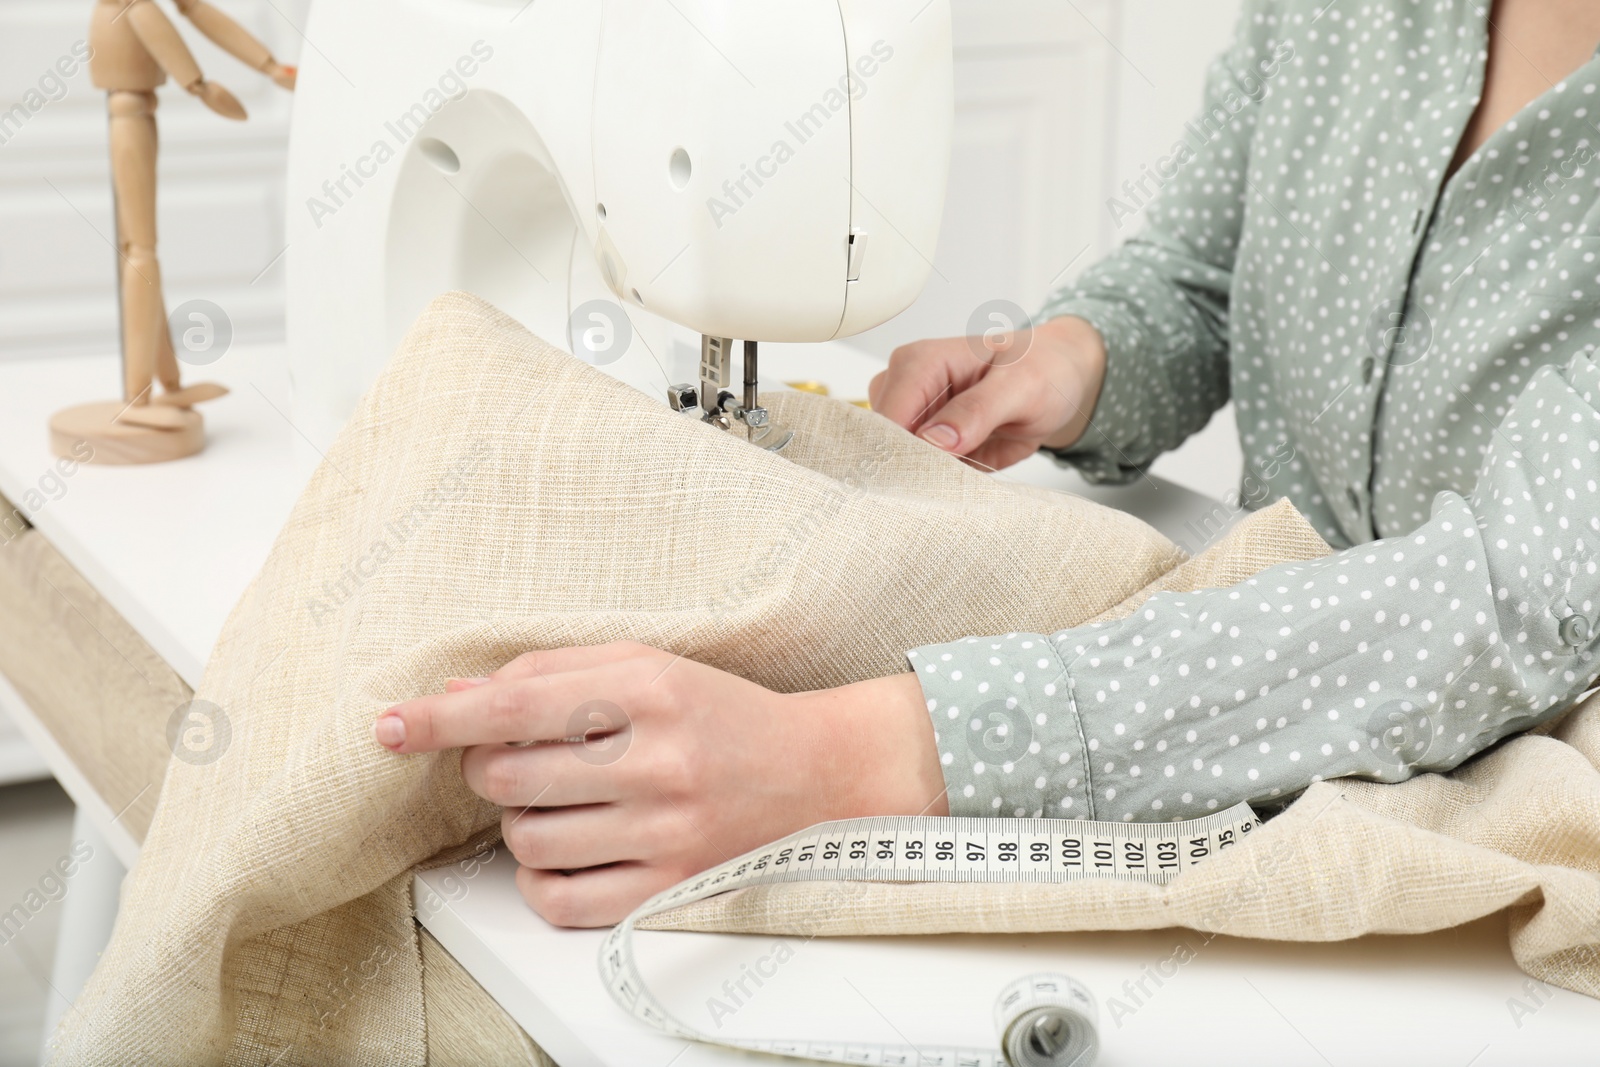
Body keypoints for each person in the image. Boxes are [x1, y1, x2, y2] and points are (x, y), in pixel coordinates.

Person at [375, 0, 1600, 927]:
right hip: (1239, 677)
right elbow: (1202, 274)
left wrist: (844, 758)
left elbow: (1506, 595)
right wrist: (1080, 357)